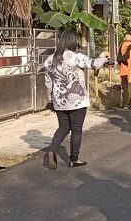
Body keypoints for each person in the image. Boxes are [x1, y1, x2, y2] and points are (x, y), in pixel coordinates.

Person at [43, 30, 109, 169]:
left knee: (63, 127)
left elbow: (48, 82)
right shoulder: (76, 57)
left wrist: (50, 100)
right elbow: (95, 64)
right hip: (77, 101)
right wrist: (103, 55)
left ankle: (52, 150)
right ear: (73, 42)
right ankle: (74, 159)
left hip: (59, 101)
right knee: (77, 129)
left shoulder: (50, 59)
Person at [118, 33, 131, 110]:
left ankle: (125, 104)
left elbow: (118, 59)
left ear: (124, 38)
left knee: (125, 88)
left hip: (123, 71)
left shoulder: (121, 45)